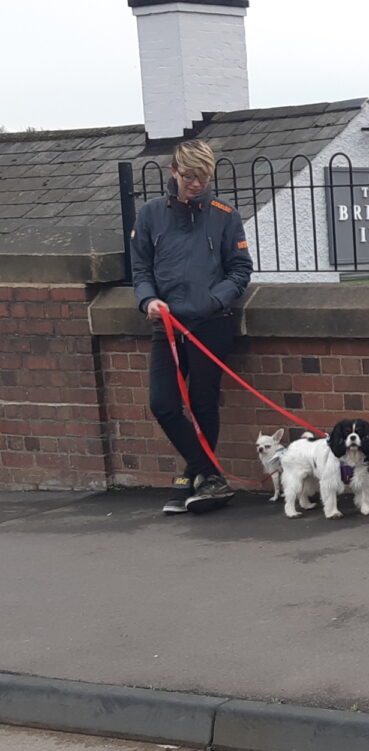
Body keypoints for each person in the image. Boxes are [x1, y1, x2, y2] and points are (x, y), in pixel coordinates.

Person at [130, 139, 253, 514]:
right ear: (173, 172)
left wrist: (214, 300)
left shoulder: (225, 215)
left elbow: (240, 270)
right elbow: (140, 270)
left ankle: (191, 478)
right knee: (163, 404)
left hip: (211, 324)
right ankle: (208, 474)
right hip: (165, 325)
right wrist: (148, 299)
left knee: (202, 403)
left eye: (202, 178)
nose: (195, 184)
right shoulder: (150, 214)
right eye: (188, 177)